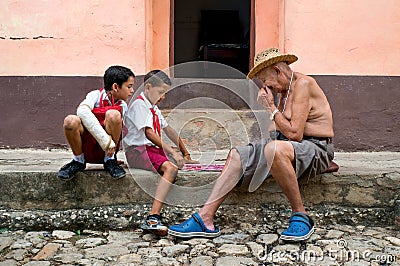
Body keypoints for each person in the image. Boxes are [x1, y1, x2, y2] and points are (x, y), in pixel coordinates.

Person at [168, 48, 335, 242]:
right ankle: (205, 219)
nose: (266, 86)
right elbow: (276, 128)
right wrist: (273, 111)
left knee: (273, 149)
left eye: (265, 81)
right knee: (237, 154)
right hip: (287, 145)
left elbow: (295, 134)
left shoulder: (303, 84)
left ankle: (301, 215)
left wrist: (270, 108)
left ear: (277, 71)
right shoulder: (284, 90)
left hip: (315, 147)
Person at [124, 70, 199, 236]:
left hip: (152, 149)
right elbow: (149, 133)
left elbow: (169, 130)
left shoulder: (153, 107)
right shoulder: (139, 105)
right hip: (138, 151)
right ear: (148, 87)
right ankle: (153, 217)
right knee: (171, 169)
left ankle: (180, 159)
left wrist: (185, 154)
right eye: (160, 92)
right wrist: (171, 151)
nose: (163, 97)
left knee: (180, 162)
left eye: (165, 93)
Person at [57, 66, 135, 180]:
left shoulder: (123, 106)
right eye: (129, 87)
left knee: (113, 115)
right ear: (115, 87)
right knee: (70, 121)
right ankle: (78, 161)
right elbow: (82, 111)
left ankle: (110, 161)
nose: (132, 91)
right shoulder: (95, 95)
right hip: (87, 146)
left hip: (108, 152)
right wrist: (106, 141)